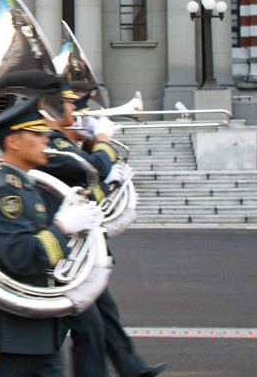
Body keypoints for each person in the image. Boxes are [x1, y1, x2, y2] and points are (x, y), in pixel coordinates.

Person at [0, 96, 103, 377]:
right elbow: (21, 257)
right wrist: (62, 227)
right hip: (11, 339)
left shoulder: (27, 188)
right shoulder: (7, 193)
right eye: (38, 133)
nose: (46, 140)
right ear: (14, 142)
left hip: (38, 335)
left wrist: (68, 225)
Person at [40, 86, 168, 377]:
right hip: (65, 251)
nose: (76, 112)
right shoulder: (52, 143)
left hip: (78, 250)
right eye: (71, 105)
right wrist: (102, 142)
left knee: (102, 318)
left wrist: (101, 164)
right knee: (85, 329)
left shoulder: (63, 142)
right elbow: (92, 171)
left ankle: (130, 367)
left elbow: (88, 182)